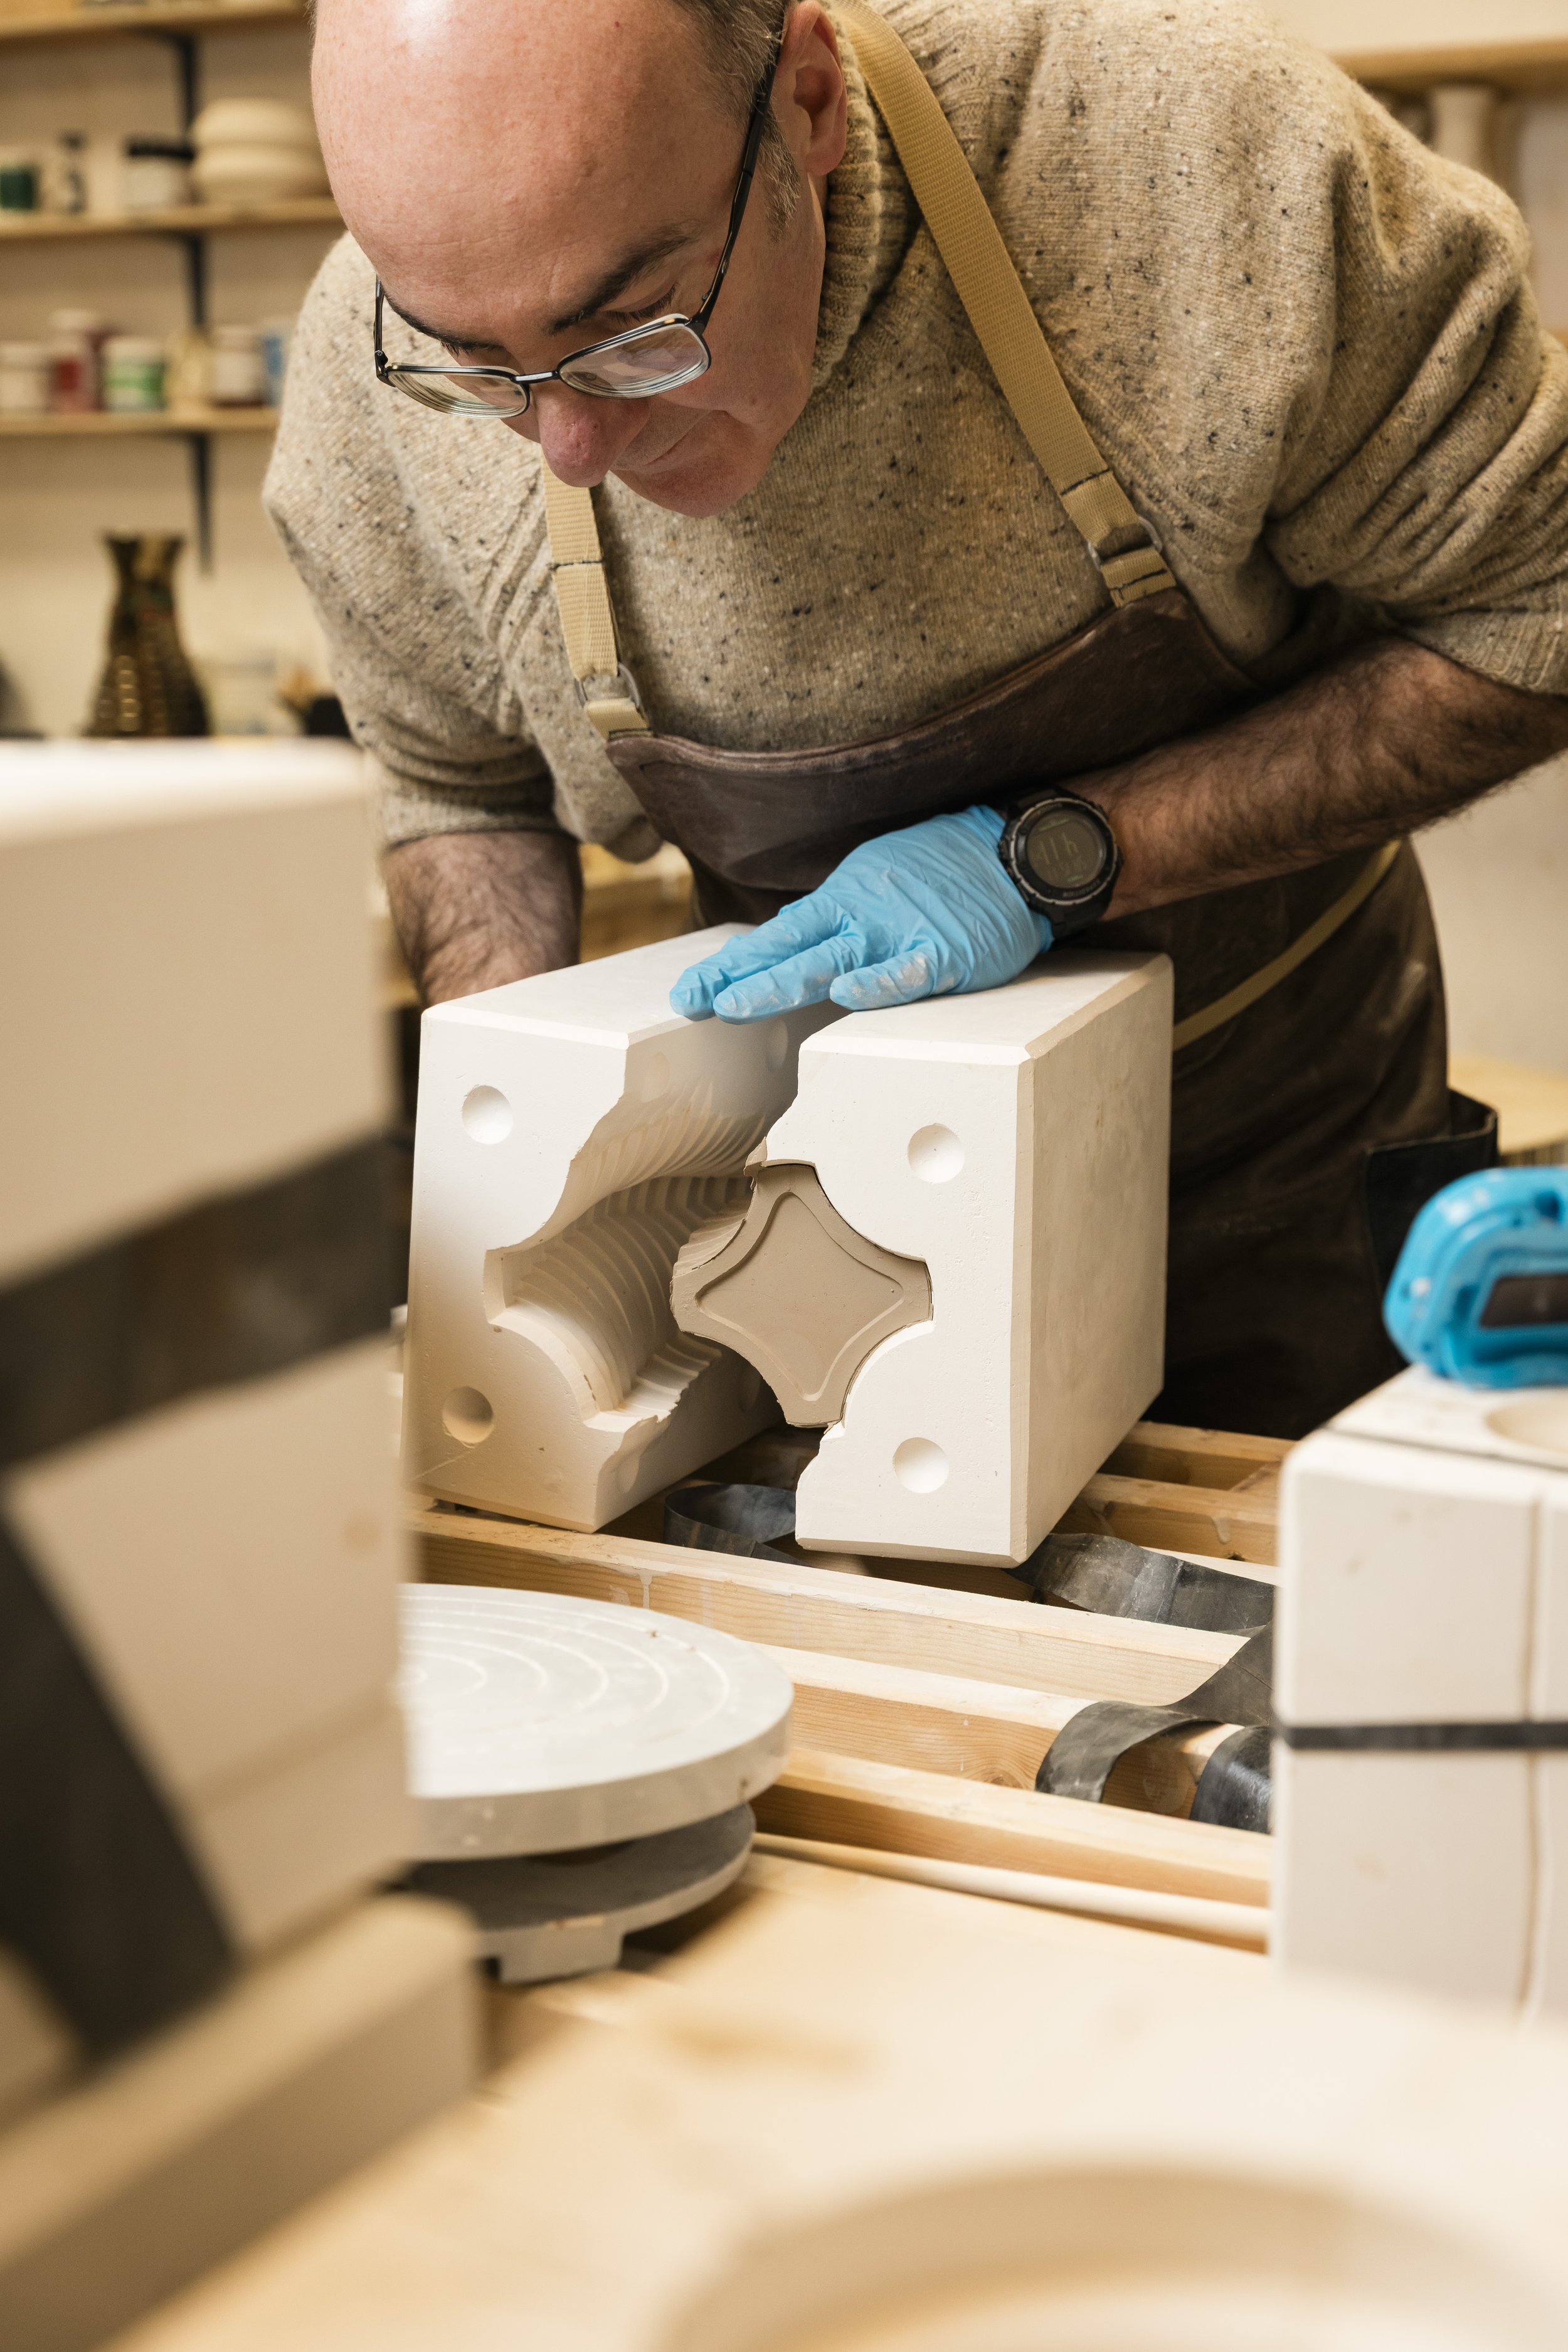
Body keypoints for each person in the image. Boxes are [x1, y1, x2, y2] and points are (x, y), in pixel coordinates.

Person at [271, 0, 1568, 1436]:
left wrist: (1063, 855)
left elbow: (1540, 610)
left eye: (631, 334)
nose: (569, 447)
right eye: (475, 366)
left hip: (1273, 1182)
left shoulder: (1193, 171)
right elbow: (457, 789)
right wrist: (516, 1176)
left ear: (809, 104)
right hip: (786, 1252)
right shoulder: (367, 380)